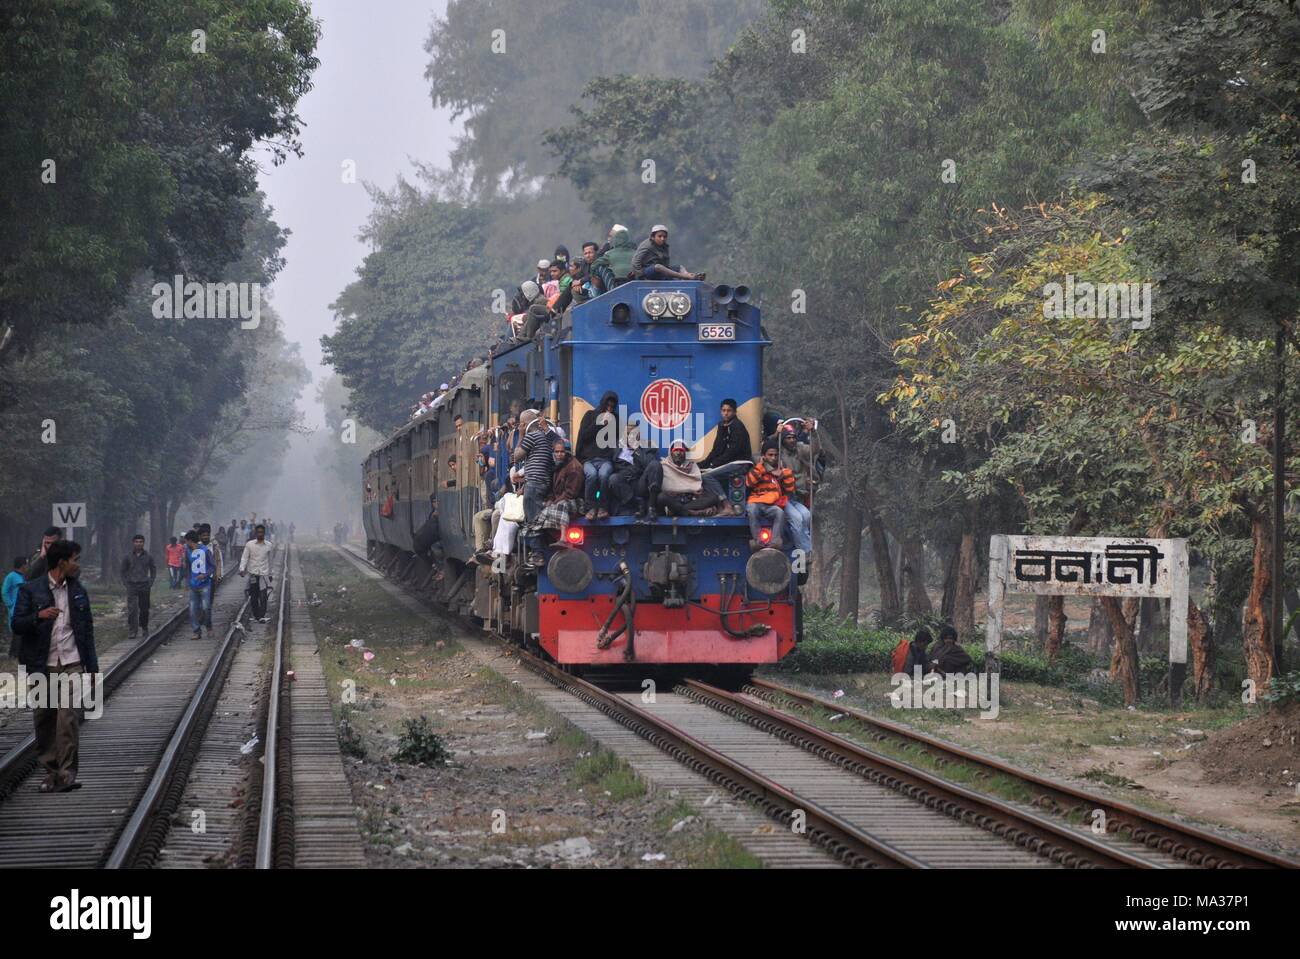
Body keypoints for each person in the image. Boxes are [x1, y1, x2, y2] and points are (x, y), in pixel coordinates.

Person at [12, 539, 97, 792]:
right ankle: (50, 771)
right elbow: (16, 624)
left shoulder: (79, 591)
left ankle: (67, 772)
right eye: (75, 559)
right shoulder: (31, 590)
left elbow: (86, 632)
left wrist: (92, 669)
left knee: (68, 718)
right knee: (44, 719)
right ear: (62, 562)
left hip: (70, 662)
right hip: (41, 665)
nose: (77, 564)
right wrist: (38, 616)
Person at [528, 439, 585, 555]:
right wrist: (550, 500)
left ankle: (563, 538)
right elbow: (553, 490)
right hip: (560, 500)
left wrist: (554, 502)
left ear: (567, 452)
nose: (559, 454)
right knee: (541, 511)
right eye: (557, 452)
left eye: (562, 452)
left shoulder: (574, 467)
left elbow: (570, 493)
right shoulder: (557, 466)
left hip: (576, 502)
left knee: (560, 505)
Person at [517, 409, 559, 560]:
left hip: (534, 482)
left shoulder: (532, 436)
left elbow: (517, 455)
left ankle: (537, 553)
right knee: (540, 515)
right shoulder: (547, 437)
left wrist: (521, 435)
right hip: (545, 481)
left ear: (524, 424)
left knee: (532, 517)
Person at [699, 398, 753, 512]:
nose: (726, 413)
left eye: (729, 410)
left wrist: (714, 464)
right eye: (723, 410)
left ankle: (727, 506)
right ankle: (717, 506)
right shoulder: (722, 426)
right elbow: (716, 449)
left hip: (740, 464)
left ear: (734, 412)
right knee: (701, 474)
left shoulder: (737, 426)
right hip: (729, 463)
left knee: (707, 476)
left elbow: (733, 451)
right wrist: (702, 464)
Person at [576, 390, 620, 519]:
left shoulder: (616, 419)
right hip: (588, 459)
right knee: (591, 475)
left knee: (604, 475)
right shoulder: (590, 415)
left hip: (606, 459)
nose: (610, 409)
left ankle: (603, 507)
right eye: (608, 406)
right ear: (603, 404)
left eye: (612, 407)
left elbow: (618, 440)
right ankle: (590, 508)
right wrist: (599, 424)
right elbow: (584, 436)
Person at [745, 439, 794, 549]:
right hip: (756, 502)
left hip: (771, 505)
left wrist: (785, 472)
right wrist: (761, 466)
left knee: (780, 513)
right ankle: (758, 542)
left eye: (776, 455)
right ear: (764, 456)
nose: (773, 458)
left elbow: (790, 489)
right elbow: (749, 482)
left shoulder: (780, 470)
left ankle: (775, 542)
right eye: (770, 455)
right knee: (752, 510)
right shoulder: (757, 468)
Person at [657, 439, 721, 517]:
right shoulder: (664, 466)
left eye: (681, 450)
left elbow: (697, 486)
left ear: (685, 453)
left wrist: (696, 490)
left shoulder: (692, 466)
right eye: (675, 450)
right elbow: (665, 488)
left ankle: (681, 511)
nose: (678, 453)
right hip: (673, 500)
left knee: (713, 498)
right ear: (671, 453)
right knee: (661, 497)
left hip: (690, 501)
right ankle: (693, 513)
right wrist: (688, 489)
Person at [606, 423, 659, 517]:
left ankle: (651, 507)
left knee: (655, 465)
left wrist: (636, 449)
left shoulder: (648, 446)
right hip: (624, 484)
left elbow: (650, 463)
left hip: (641, 483)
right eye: (627, 433)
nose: (630, 436)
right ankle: (638, 504)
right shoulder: (615, 448)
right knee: (613, 478)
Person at [630, 225, 704, 282]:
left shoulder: (664, 246)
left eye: (664, 237)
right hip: (648, 271)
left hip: (660, 272)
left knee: (679, 267)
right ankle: (686, 277)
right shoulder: (646, 246)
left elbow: (665, 264)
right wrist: (641, 276)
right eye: (659, 236)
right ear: (653, 237)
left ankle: (691, 276)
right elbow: (635, 261)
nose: (662, 239)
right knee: (658, 267)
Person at [119, 534, 156, 640]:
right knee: (132, 609)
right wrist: (125, 583)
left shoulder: (148, 556)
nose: (138, 543)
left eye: (140, 542)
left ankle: (144, 627)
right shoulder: (127, 556)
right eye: (136, 541)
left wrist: (151, 581)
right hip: (132, 586)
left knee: (144, 609)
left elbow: (153, 569)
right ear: (133, 543)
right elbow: (122, 571)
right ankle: (132, 630)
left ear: (143, 543)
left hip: (144, 585)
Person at [239, 524, 274, 622]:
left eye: (262, 532)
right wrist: (242, 568)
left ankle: (261, 615)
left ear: (264, 533)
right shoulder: (249, 545)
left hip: (264, 574)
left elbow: (270, 561)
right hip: (253, 574)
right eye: (258, 532)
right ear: (255, 533)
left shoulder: (269, 545)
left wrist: (271, 574)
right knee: (253, 597)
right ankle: (256, 615)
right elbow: (245, 557)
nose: (260, 534)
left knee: (263, 596)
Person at [183, 531, 215, 640]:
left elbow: (212, 566)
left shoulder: (205, 551)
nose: (185, 543)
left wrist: (205, 575)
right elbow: (187, 566)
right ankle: (196, 631)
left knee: (206, 608)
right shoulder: (187, 551)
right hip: (193, 585)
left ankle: (208, 626)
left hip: (205, 584)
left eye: (186, 541)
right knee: (192, 609)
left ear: (190, 541)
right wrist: (187, 581)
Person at [3, 556, 27, 654]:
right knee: (17, 633)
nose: (27, 566)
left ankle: (15, 655)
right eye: (26, 564)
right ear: (22, 565)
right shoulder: (11, 576)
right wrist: (10, 604)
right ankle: (15, 656)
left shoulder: (23, 577)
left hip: (23, 609)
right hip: (15, 610)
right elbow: (4, 591)